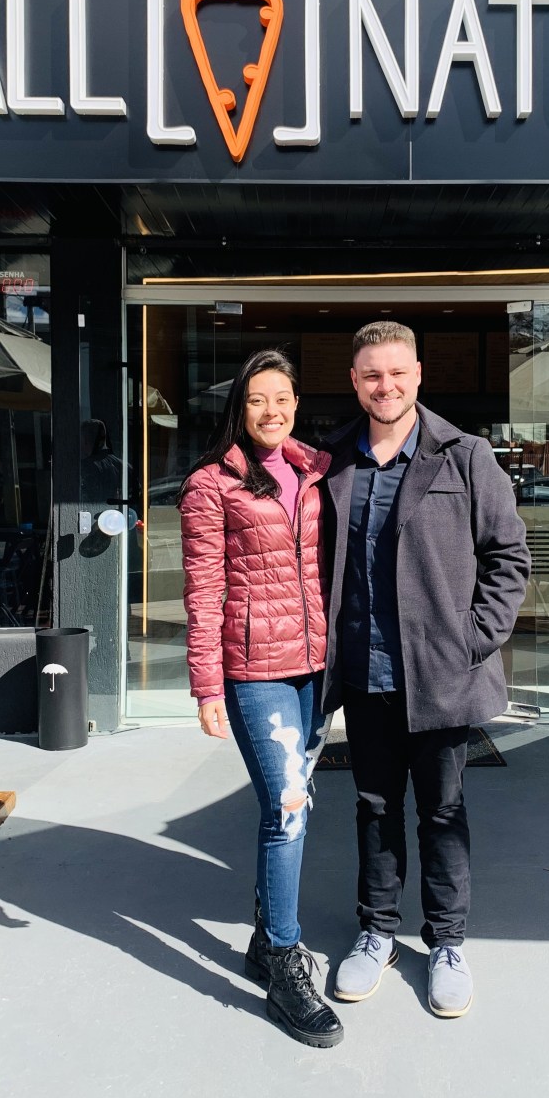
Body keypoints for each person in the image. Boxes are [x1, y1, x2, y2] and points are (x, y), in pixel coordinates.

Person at [323, 322, 530, 1017]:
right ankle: (377, 931)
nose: (385, 386)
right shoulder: (333, 461)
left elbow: (508, 556)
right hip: (365, 671)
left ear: (417, 375)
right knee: (375, 807)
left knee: (443, 811)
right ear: (356, 382)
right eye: (371, 375)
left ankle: (447, 942)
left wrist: (475, 640)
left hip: (442, 673)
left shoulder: (465, 455)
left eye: (396, 373)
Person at [177, 350, 342, 1049]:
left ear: (297, 404)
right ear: (238, 409)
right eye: (256, 400)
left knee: (296, 805)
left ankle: (260, 938)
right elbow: (203, 590)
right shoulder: (211, 485)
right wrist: (207, 686)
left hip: (315, 668)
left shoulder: (316, 471)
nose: (271, 411)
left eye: (282, 398)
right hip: (256, 670)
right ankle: (282, 959)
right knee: (287, 807)